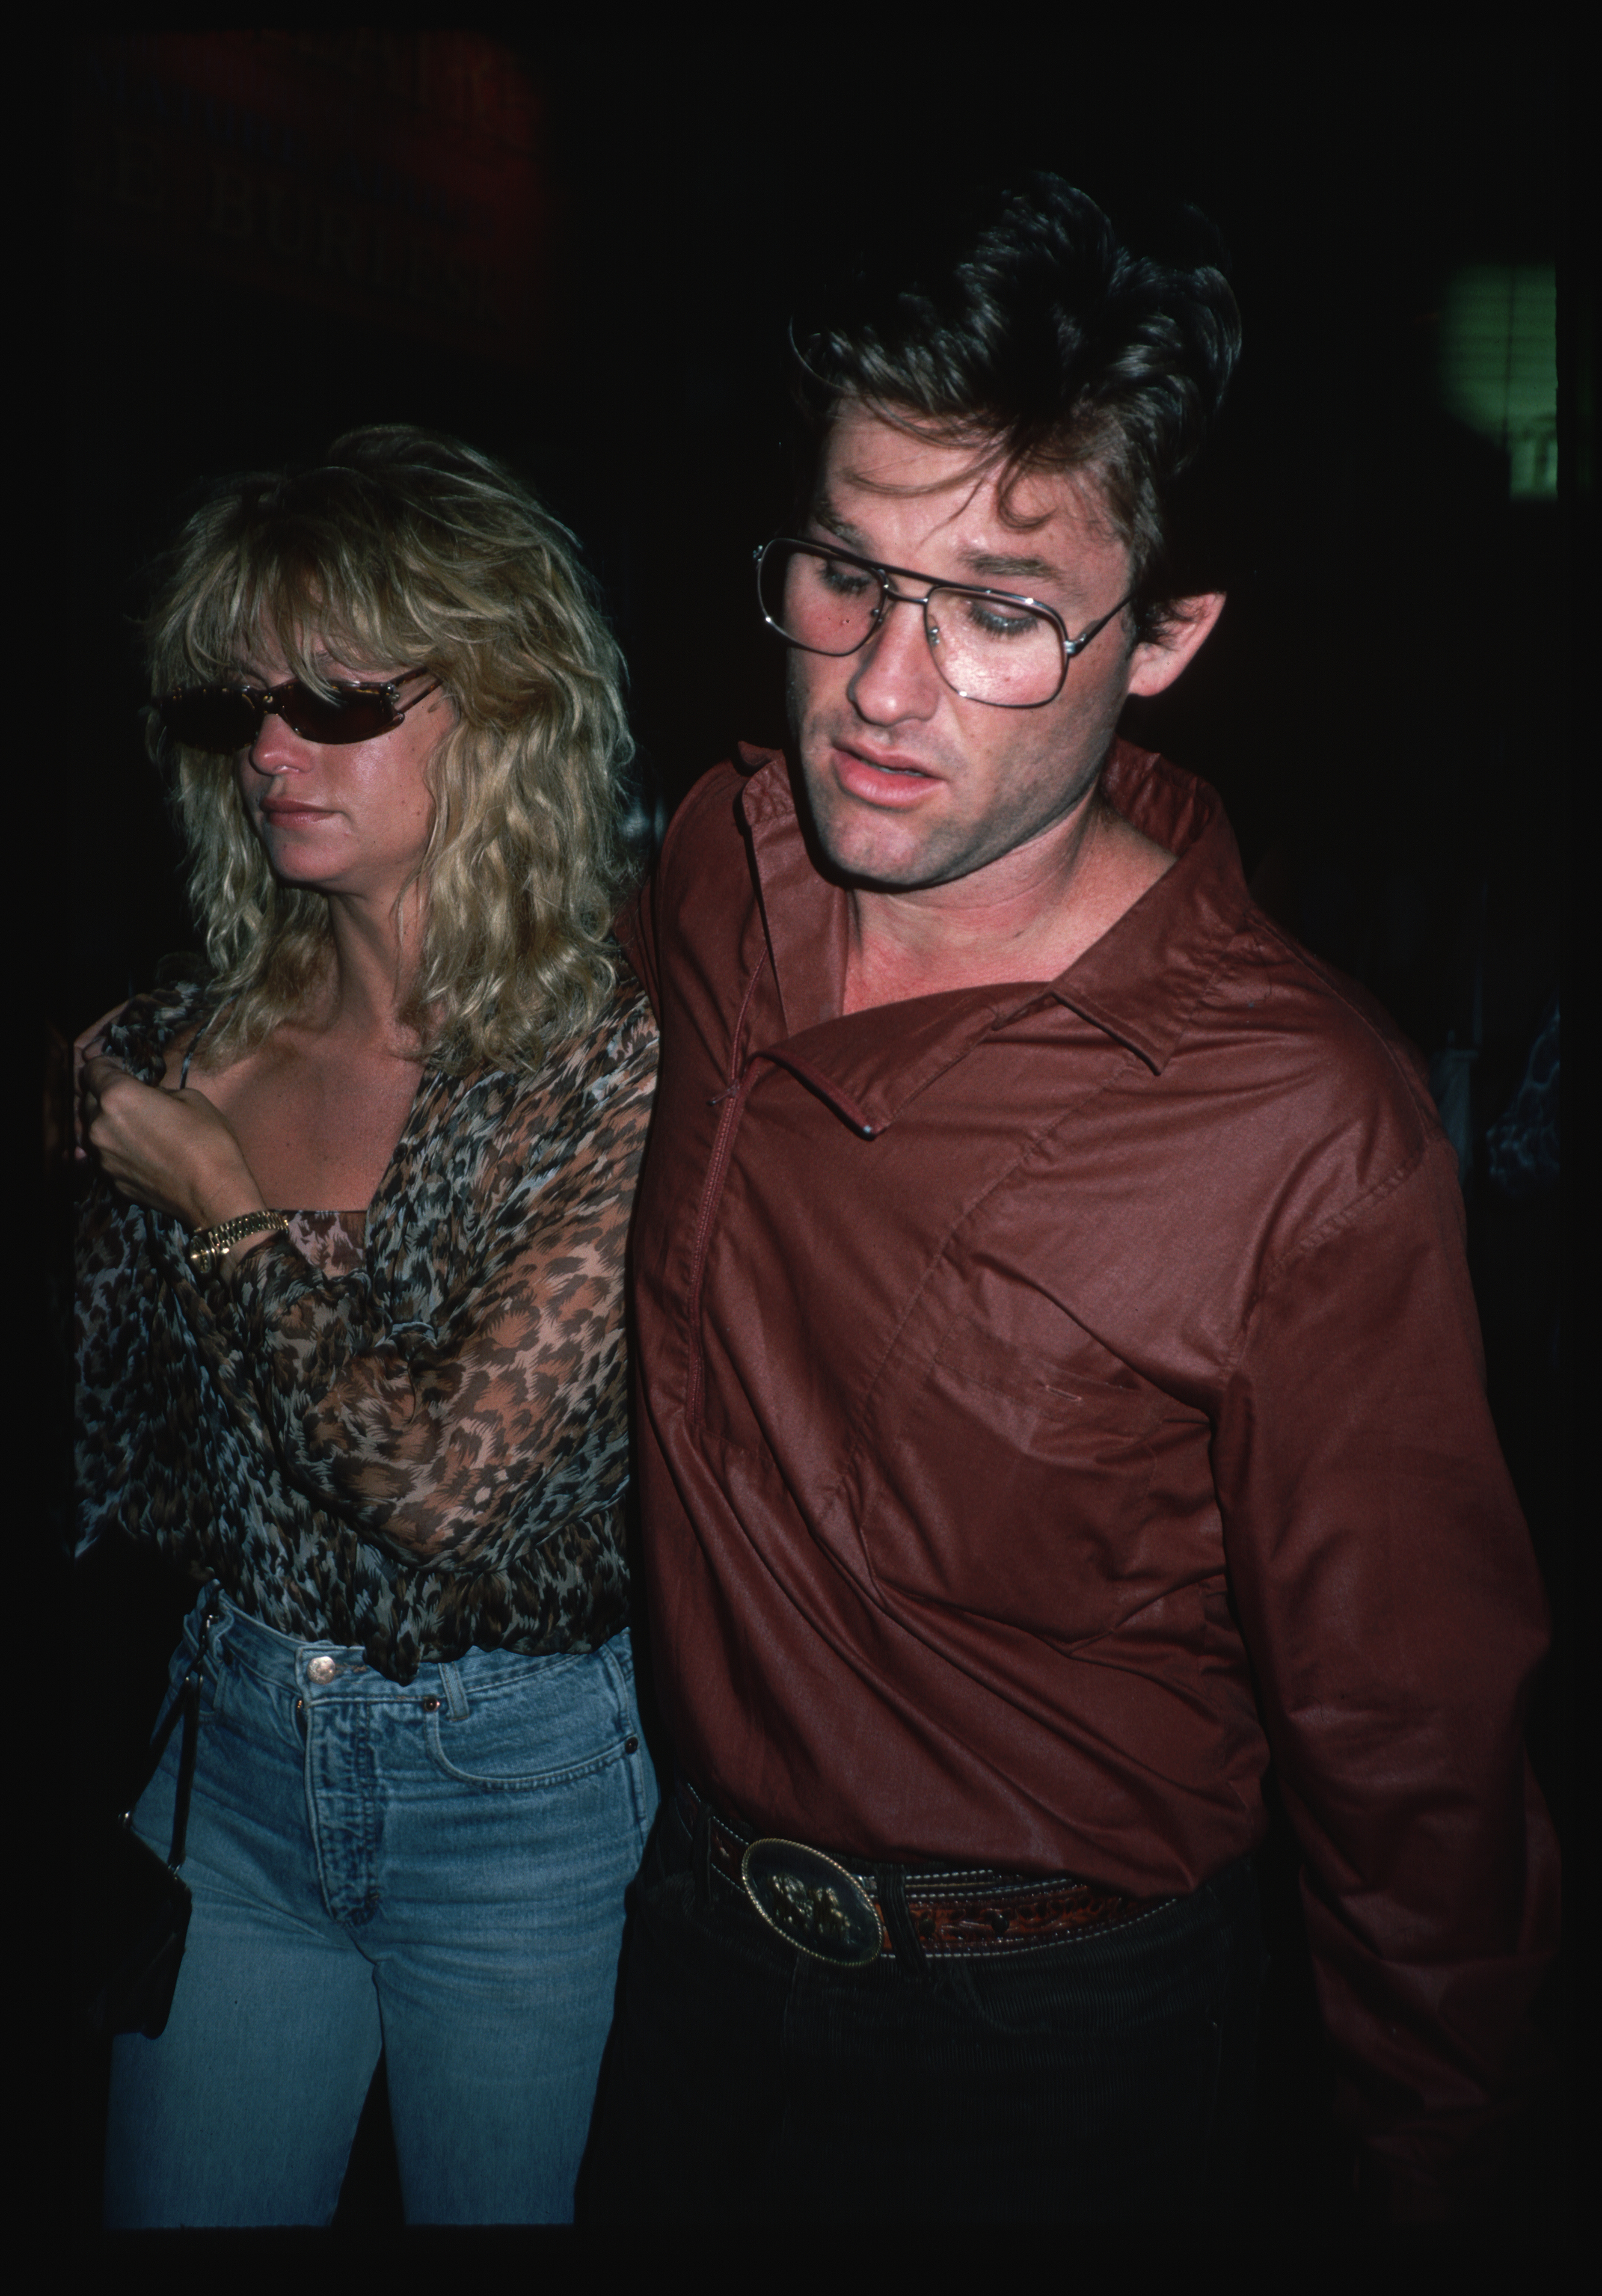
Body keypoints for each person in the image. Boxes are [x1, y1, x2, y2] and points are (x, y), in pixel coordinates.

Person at [577, 179, 1558, 2224]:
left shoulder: (1302, 1128)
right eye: (846, 573)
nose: (881, 688)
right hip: (670, 1960)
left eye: (1003, 612)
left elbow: (1410, 1748)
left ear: (1170, 634)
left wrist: (1437, 2177)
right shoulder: (716, 874)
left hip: (1060, 2056)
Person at [75, 426, 659, 2227]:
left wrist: (227, 1216)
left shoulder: (604, 1064)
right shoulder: (172, 1045)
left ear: (500, 708)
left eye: (336, 698)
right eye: (243, 702)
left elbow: (437, 1484)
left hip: (515, 1777)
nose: (268, 747)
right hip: (228, 1744)